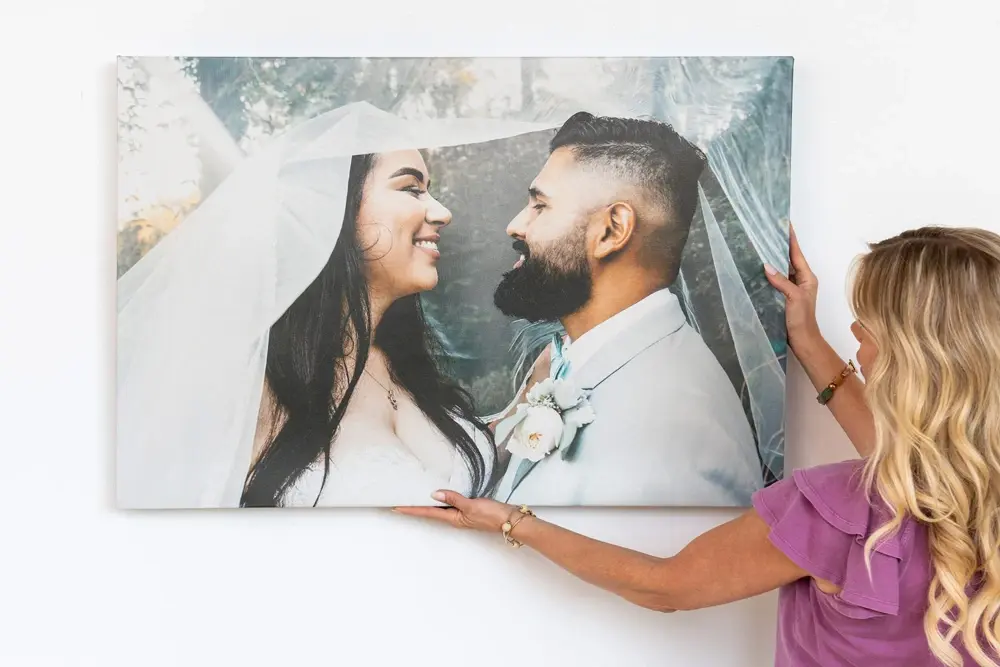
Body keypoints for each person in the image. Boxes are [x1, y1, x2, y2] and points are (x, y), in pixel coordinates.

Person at [398, 225, 1000, 666]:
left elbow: (667, 586)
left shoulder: (839, 507)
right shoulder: (965, 493)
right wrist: (809, 343)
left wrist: (513, 523)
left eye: (867, 328)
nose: (859, 344)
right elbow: (921, 468)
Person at [489, 111, 763, 507]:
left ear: (612, 230)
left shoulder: (670, 433)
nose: (515, 226)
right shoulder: (580, 361)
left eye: (540, 206)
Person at [242, 150, 498, 507]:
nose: (442, 213)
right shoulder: (254, 382)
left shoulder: (404, 362)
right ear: (335, 208)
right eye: (412, 189)